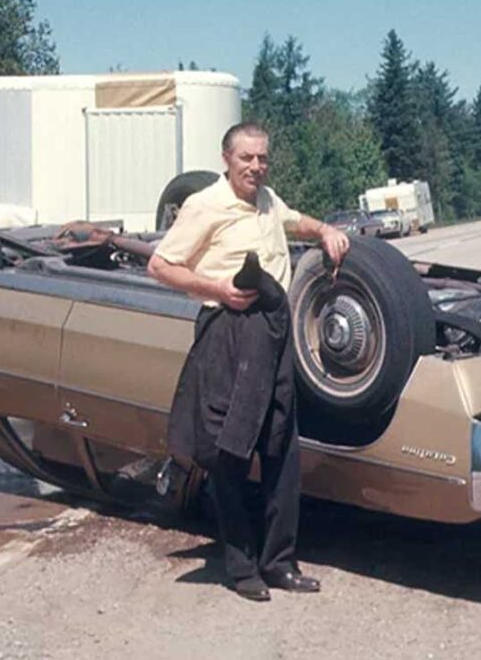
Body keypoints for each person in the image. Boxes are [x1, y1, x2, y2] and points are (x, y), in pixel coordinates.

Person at [148, 121, 350, 601]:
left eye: (262, 158)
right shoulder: (204, 205)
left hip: (275, 334)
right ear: (227, 159)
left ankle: (279, 563)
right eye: (247, 158)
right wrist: (217, 289)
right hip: (229, 333)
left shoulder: (266, 199)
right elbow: (160, 265)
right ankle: (241, 569)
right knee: (230, 452)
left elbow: (293, 220)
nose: (256, 167)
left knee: (281, 453)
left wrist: (325, 230)